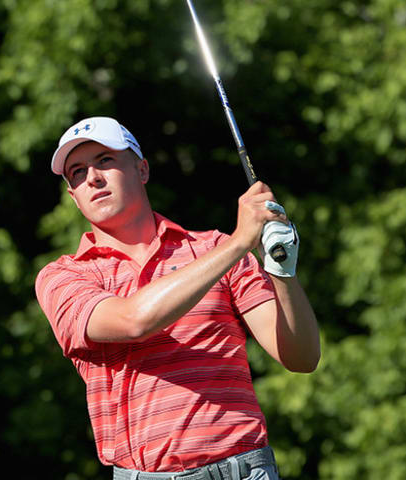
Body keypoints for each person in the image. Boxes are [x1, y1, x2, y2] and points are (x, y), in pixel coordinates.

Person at [35, 117, 320, 480]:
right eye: (77, 172)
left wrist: (282, 271)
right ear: (73, 197)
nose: (92, 177)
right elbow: (133, 321)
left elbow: (302, 356)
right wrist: (239, 242)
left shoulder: (214, 249)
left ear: (141, 170)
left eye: (105, 160)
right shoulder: (63, 277)